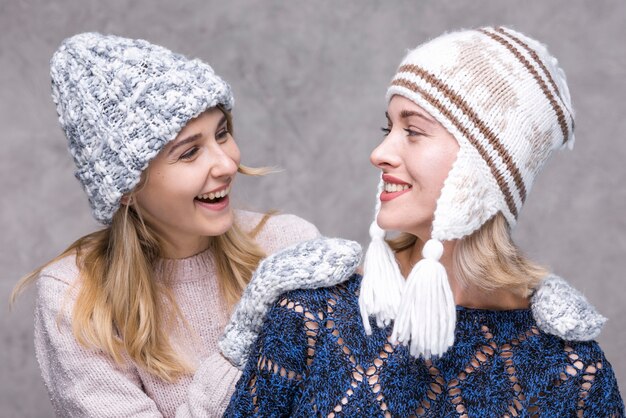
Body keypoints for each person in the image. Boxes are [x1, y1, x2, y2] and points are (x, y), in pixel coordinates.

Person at [223, 26, 624, 416]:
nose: (379, 152)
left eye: (412, 130)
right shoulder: (311, 315)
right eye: (388, 127)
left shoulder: (569, 370)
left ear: (482, 170)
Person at [10, 33, 325, 417]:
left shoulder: (288, 244)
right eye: (190, 152)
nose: (227, 164)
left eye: (222, 133)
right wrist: (243, 337)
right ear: (126, 188)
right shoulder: (77, 297)